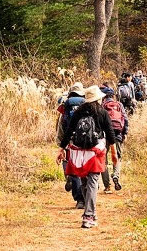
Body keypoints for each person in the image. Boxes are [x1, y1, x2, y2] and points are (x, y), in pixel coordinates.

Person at [57, 85, 116, 229]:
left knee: (84, 182)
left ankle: (90, 211)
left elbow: (69, 131)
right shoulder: (102, 112)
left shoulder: (78, 112)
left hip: (78, 152)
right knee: (93, 183)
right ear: (98, 98)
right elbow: (110, 133)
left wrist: (61, 149)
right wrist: (114, 153)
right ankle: (88, 216)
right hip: (95, 152)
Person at [56, 82, 86, 209]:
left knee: (71, 166)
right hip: (84, 141)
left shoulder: (66, 105)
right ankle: (84, 198)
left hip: (70, 141)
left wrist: (61, 145)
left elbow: (61, 126)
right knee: (83, 169)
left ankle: (78, 196)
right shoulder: (87, 104)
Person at [101, 88, 128, 193]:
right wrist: (125, 133)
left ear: (104, 96)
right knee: (118, 157)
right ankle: (116, 175)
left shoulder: (102, 106)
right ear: (113, 96)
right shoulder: (119, 105)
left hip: (104, 135)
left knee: (103, 159)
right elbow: (125, 119)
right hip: (117, 134)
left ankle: (107, 186)